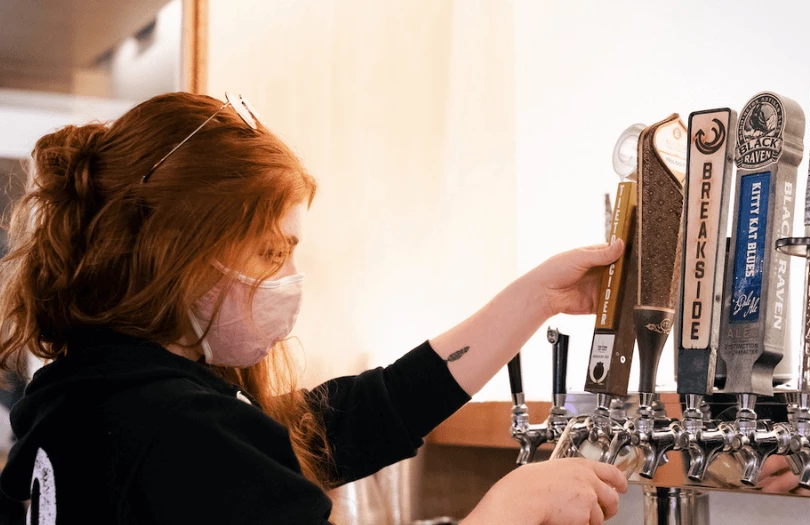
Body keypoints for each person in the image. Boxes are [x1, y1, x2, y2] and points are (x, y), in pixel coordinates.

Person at [0, 92, 628, 524]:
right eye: (272, 252)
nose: (290, 279)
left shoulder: (92, 401)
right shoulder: (175, 429)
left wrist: (538, 298)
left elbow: (358, 416)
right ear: (178, 251)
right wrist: (510, 510)